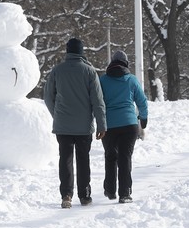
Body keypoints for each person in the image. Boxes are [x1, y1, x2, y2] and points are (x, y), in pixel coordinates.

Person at [44, 38, 107, 208]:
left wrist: (57, 115)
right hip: (84, 126)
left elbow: (48, 97)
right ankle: (85, 195)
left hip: (63, 125)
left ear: (67, 51)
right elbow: (98, 101)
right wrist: (101, 124)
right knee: (83, 159)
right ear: (81, 52)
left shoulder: (57, 71)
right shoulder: (89, 72)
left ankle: (66, 195)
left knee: (65, 159)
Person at [100, 50, 148, 204]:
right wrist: (144, 120)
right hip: (129, 125)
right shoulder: (132, 80)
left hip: (109, 125)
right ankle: (125, 193)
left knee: (110, 156)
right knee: (125, 157)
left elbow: (97, 102)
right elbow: (142, 101)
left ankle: (110, 189)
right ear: (126, 63)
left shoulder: (103, 81)